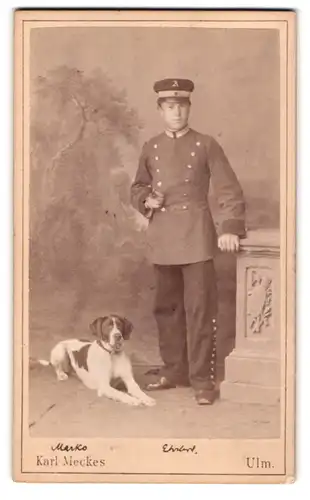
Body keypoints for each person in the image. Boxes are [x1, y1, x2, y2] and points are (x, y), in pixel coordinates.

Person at [130, 78, 246, 405]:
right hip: (162, 236)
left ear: (189, 107)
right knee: (166, 308)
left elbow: (228, 189)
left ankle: (202, 381)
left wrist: (230, 227)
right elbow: (137, 187)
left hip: (196, 235)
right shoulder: (150, 147)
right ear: (160, 110)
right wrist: (144, 202)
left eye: (181, 105)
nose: (176, 111)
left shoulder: (206, 144)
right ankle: (173, 370)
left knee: (199, 310)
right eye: (169, 106)